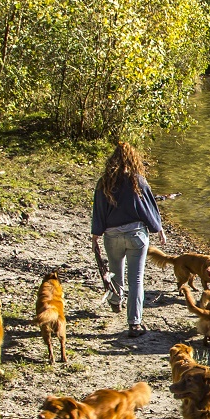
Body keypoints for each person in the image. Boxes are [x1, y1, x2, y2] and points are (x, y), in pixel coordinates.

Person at [91, 142, 166, 339]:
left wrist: (95, 235)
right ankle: (134, 323)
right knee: (137, 280)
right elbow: (148, 208)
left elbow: (98, 210)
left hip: (112, 235)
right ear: (134, 159)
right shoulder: (138, 181)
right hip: (136, 236)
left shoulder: (104, 182)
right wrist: (158, 229)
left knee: (116, 272)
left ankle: (116, 300)